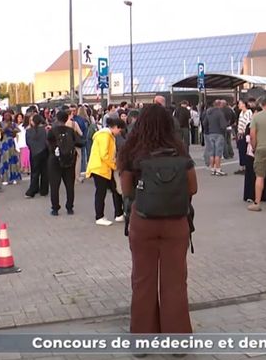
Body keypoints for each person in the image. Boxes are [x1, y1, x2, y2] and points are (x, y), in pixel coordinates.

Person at [118, 104, 197, 334]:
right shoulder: (180, 151)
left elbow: (125, 190)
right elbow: (193, 187)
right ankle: (178, 337)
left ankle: (143, 336)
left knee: (143, 280)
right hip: (176, 222)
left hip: (143, 221)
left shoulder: (131, 152)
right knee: (175, 282)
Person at [86, 118, 126, 226]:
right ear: (116, 127)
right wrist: (114, 165)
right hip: (100, 168)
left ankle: (118, 213)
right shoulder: (105, 136)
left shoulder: (107, 135)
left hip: (103, 168)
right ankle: (99, 216)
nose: (119, 133)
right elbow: (104, 155)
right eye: (120, 130)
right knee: (102, 192)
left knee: (114, 190)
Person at [47, 110, 80, 216]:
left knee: (54, 186)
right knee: (70, 185)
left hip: (54, 160)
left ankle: (55, 208)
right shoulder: (70, 131)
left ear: (56, 118)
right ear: (67, 119)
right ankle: (70, 207)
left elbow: (47, 144)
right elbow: (79, 142)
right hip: (69, 160)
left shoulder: (52, 131)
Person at [24, 114, 49, 198]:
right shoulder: (45, 130)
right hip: (44, 152)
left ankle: (32, 190)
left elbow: (28, 143)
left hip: (34, 153)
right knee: (44, 172)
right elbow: (47, 141)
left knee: (35, 173)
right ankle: (44, 190)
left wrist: (33, 148)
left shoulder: (29, 131)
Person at [205, 100, 229, 176]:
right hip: (219, 134)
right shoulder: (219, 113)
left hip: (210, 133)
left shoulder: (208, 112)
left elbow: (204, 122)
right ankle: (218, 169)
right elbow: (223, 125)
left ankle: (212, 169)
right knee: (218, 153)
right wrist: (226, 126)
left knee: (212, 153)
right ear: (219, 105)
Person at [0, 111, 22, 185]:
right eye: (6, 115)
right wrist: (6, 127)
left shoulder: (13, 124)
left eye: (9, 115)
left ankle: (14, 177)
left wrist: (12, 129)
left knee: (13, 160)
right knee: (4, 160)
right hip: (4, 143)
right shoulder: (0, 124)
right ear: (3, 116)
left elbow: (18, 130)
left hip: (11, 143)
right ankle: (4, 178)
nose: (7, 117)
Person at [235, 99, 252, 175]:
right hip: (240, 134)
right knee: (241, 151)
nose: (239, 105)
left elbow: (248, 124)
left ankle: (246, 167)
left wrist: (246, 133)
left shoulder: (249, 112)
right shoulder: (241, 113)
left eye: (240, 103)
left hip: (245, 134)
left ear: (244, 104)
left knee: (246, 150)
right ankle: (242, 166)